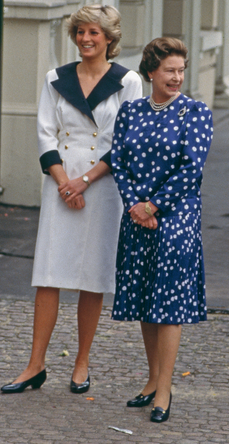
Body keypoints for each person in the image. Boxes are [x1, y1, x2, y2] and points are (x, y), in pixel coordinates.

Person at [1, 4, 142, 394]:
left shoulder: (128, 80)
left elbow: (125, 141)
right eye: (80, 32)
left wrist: (83, 182)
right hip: (60, 184)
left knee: (91, 277)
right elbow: (45, 133)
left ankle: (81, 364)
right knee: (48, 274)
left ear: (110, 39)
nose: (85, 39)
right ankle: (35, 365)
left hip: (102, 185)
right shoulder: (55, 78)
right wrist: (64, 182)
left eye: (94, 33)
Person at [110, 37, 213, 422]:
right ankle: (152, 378)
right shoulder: (131, 111)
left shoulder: (195, 112)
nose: (177, 77)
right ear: (151, 71)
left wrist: (153, 206)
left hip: (175, 221)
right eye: (169, 70)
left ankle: (165, 389)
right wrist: (135, 204)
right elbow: (118, 160)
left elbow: (191, 169)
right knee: (144, 298)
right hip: (137, 216)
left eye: (181, 70)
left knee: (168, 305)